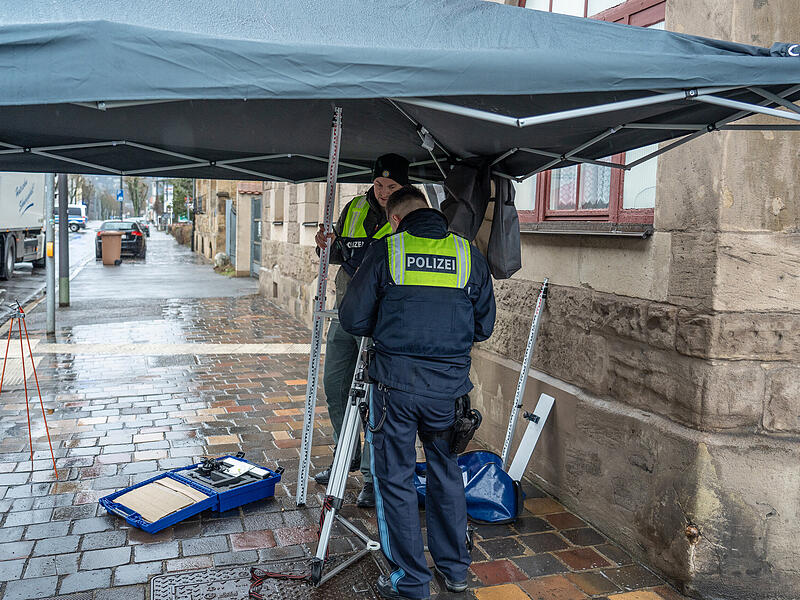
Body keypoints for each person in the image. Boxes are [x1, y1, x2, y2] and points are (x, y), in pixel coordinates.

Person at [339, 186, 496, 599]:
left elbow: (352, 318)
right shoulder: (466, 255)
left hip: (394, 391)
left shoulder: (389, 250)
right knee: (446, 474)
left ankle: (410, 582)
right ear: (430, 214)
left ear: (394, 219)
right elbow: (484, 326)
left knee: (395, 478)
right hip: (448, 393)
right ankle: (455, 571)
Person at [313, 153, 410, 508]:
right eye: (379, 185)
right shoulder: (353, 209)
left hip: (380, 319)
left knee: (372, 398)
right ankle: (346, 455)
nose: (383, 192)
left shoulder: (407, 215)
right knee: (335, 385)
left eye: (392, 186)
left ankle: (372, 476)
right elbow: (338, 251)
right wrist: (325, 244)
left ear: (405, 186)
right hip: (344, 310)